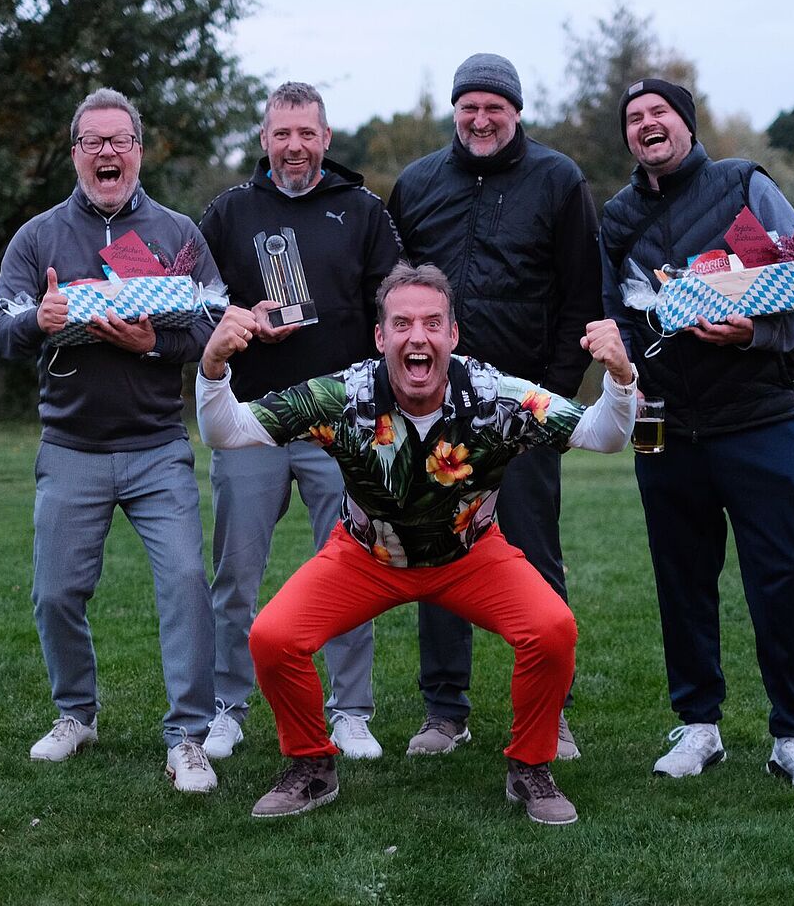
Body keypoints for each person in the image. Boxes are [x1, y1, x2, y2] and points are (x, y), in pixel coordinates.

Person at [196, 263, 636, 825]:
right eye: (401, 324)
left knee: (553, 630)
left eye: (432, 323)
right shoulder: (343, 396)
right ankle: (311, 765)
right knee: (273, 638)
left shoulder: (497, 397)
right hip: (367, 555)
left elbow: (604, 434)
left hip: (470, 555)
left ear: (453, 334)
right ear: (380, 337)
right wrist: (213, 367)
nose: (417, 336)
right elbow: (226, 430)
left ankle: (530, 765)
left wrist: (620, 377)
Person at [599, 77, 794, 793]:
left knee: (786, 575)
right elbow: (614, 314)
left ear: (687, 124)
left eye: (659, 113)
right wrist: (624, 373)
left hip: (762, 418)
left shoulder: (743, 186)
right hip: (664, 427)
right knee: (680, 579)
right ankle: (699, 726)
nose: (647, 124)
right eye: (634, 118)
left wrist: (754, 332)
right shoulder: (616, 218)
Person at [0, 88, 220, 793]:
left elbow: (214, 322)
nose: (107, 152)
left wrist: (155, 345)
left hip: (157, 447)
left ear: (139, 152)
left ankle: (188, 738)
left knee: (186, 584)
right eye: (94, 141)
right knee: (55, 593)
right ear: (76, 153)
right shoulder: (38, 237)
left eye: (120, 140)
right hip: (71, 448)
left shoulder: (177, 234)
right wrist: (39, 320)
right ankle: (76, 715)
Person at [386, 53, 602, 759]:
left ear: (516, 112)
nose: (481, 120)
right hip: (434, 409)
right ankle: (445, 711)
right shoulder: (417, 184)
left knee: (534, 559)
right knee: (436, 553)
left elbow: (581, 292)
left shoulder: (558, 179)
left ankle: (549, 713)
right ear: (455, 111)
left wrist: (555, 397)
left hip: (524, 408)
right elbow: (393, 297)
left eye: (494, 108)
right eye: (469, 107)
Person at [196, 82, 402, 761]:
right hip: (251, 420)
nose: (294, 146)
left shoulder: (363, 210)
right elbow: (194, 302)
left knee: (352, 566)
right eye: (281, 134)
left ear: (326, 138)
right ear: (264, 140)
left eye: (306, 133)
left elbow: (393, 308)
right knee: (236, 574)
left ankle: (351, 712)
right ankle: (227, 707)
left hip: (340, 421)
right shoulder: (229, 211)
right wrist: (236, 320)